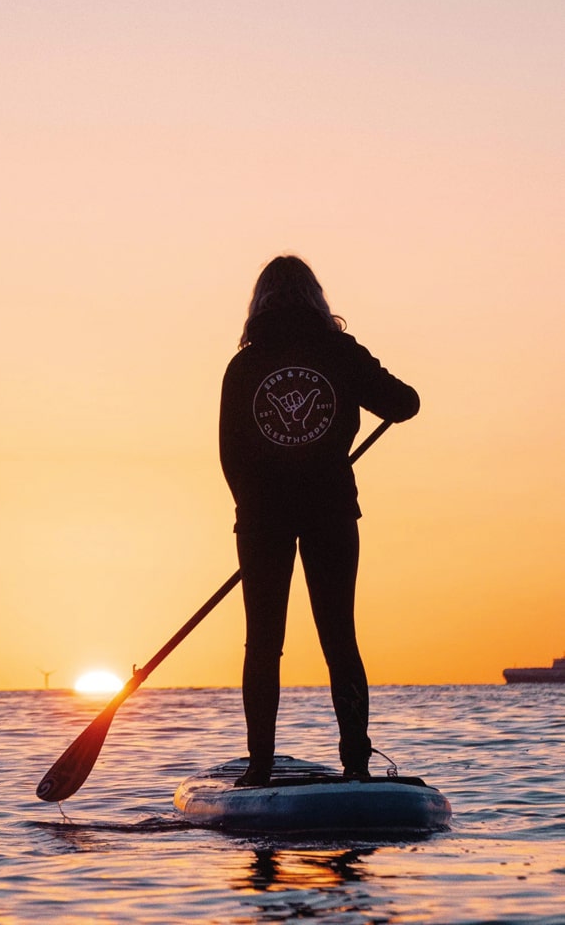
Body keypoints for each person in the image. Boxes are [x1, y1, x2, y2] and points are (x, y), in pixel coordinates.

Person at [219, 255, 419, 787]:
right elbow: (405, 403)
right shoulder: (339, 352)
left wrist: (255, 515)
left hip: (263, 521)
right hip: (330, 511)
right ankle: (356, 761)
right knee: (340, 638)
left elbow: (230, 457)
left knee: (262, 643)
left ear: (258, 303)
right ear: (317, 299)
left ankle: (259, 768)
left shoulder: (244, 367)